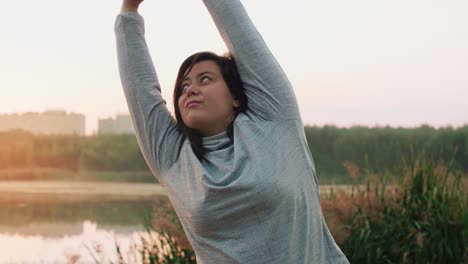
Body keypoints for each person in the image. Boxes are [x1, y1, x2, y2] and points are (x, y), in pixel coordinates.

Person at [115, 0, 349, 263]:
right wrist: (129, 10)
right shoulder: (174, 158)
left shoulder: (275, 123)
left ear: (236, 96)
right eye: (183, 87)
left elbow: (238, 27)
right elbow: (140, 92)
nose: (190, 90)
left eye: (205, 79)